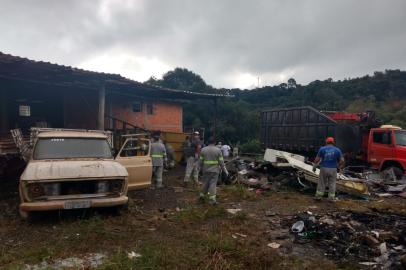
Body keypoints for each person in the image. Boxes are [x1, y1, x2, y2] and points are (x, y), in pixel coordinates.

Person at [199, 136, 228, 205]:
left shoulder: (203, 149)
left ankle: (201, 196)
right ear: (215, 142)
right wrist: (225, 171)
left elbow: (200, 161)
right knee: (212, 184)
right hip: (214, 171)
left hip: (205, 170)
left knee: (205, 183)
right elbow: (221, 163)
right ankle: (212, 200)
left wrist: (199, 169)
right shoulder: (218, 150)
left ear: (208, 142)